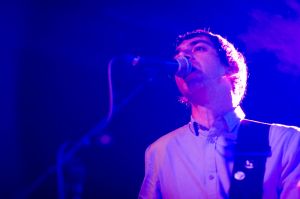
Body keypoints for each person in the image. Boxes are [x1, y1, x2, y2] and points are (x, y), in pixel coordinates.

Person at [138, 29, 300, 199]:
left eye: (199, 48)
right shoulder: (159, 152)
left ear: (229, 66)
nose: (183, 58)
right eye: (179, 54)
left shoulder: (286, 141)